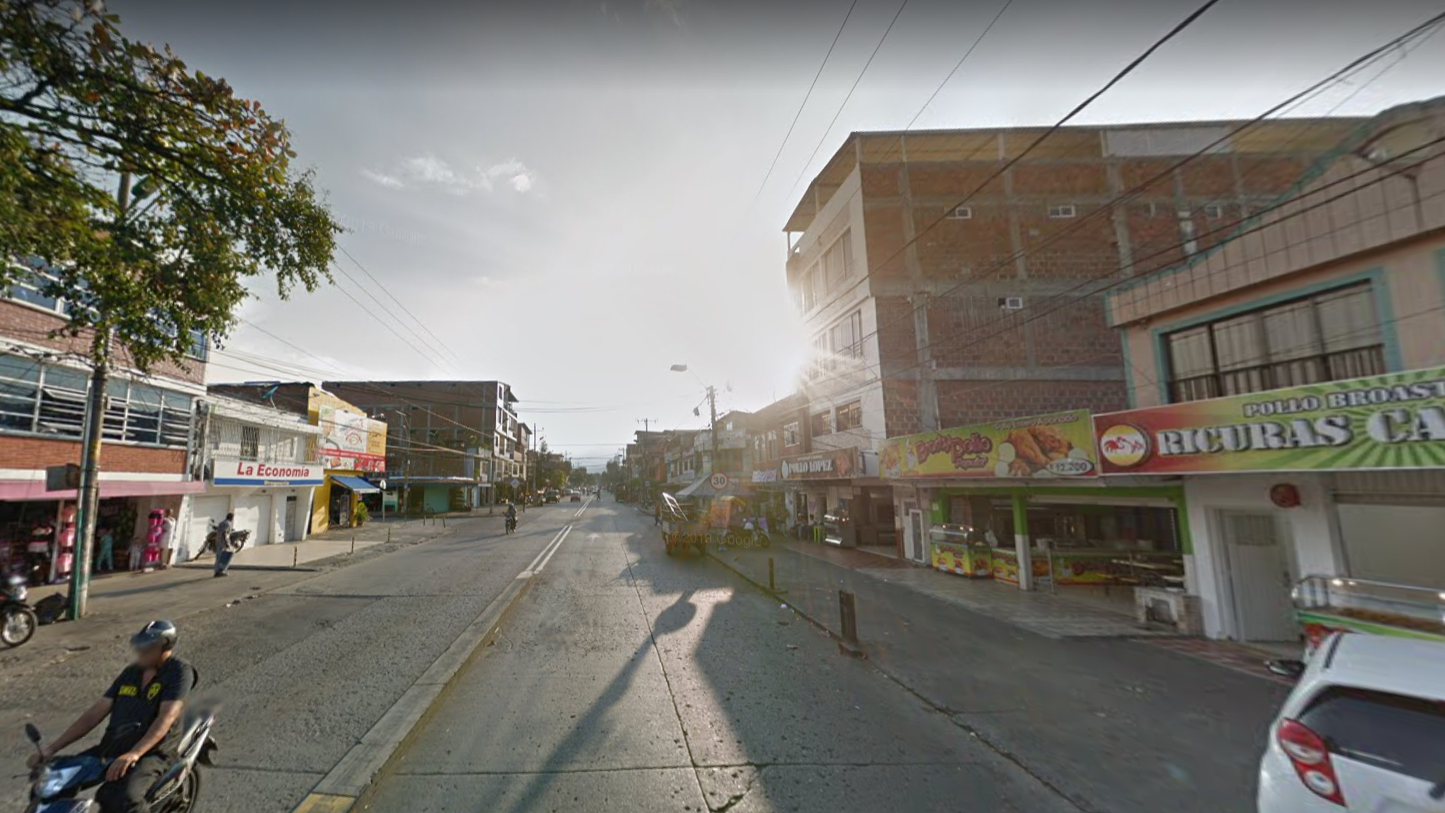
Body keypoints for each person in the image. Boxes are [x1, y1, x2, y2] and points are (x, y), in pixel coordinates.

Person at [29, 620, 195, 813]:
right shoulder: (131, 673)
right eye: (139, 646)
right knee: (47, 783)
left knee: (122, 799)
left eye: (146, 648)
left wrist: (135, 753)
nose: (140, 652)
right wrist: (51, 749)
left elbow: (166, 718)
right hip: (111, 747)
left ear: (164, 647)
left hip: (152, 753)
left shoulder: (179, 672)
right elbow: (95, 713)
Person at [212, 513, 236, 578]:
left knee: (218, 557)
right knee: (230, 554)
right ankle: (222, 570)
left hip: (219, 542)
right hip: (223, 543)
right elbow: (224, 533)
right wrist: (227, 544)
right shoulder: (228, 524)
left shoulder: (221, 523)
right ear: (231, 518)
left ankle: (216, 571)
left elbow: (219, 532)